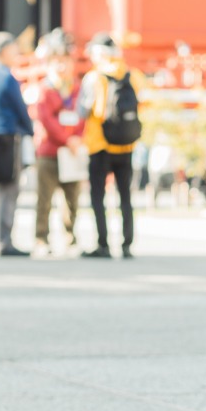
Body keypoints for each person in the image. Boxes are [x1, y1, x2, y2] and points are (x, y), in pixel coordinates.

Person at [78, 33, 144, 258]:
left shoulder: (94, 78)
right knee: (125, 195)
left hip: (100, 144)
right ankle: (127, 244)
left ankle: (103, 244)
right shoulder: (132, 75)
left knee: (98, 196)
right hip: (126, 145)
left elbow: (85, 109)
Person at [0, 32, 33, 257]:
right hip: (9, 137)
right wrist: (29, 129)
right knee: (9, 190)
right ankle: (4, 240)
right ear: (3, 50)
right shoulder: (7, 77)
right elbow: (20, 109)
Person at [32, 31, 84, 255]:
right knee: (45, 198)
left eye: (65, 61)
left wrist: (76, 139)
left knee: (72, 199)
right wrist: (67, 138)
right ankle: (41, 238)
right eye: (57, 61)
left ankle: (70, 236)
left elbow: (83, 116)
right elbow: (46, 119)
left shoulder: (77, 88)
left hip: (71, 151)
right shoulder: (46, 89)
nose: (62, 66)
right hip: (49, 151)